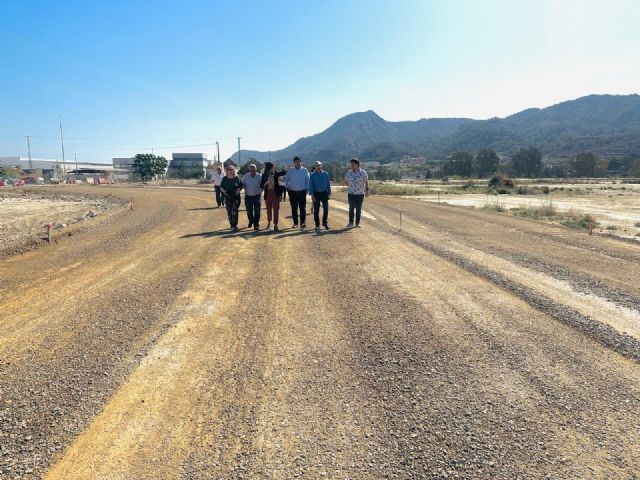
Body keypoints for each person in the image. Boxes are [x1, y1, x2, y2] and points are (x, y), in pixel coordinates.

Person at [284, 156, 310, 228]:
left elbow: (308, 180)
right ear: (294, 163)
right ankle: (295, 223)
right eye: (296, 162)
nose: (298, 163)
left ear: (301, 162)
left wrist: (307, 189)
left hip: (302, 192)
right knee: (294, 208)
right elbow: (286, 179)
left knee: (302, 208)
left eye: (299, 162)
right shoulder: (291, 171)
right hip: (293, 192)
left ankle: (303, 222)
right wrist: (287, 188)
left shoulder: (304, 170)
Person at [260, 162, 285, 231]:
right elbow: (261, 185)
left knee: (276, 209)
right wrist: (266, 182)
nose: (274, 168)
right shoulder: (264, 175)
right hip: (268, 194)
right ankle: (269, 222)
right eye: (273, 167)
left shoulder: (277, 174)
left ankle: (275, 224)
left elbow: (283, 174)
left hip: (276, 194)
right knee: (268, 210)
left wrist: (285, 169)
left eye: (274, 167)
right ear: (269, 168)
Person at [344, 157, 369, 227]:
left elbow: (366, 181)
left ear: (357, 164)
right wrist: (349, 186)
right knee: (351, 208)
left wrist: (367, 190)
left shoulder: (363, 173)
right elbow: (345, 180)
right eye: (351, 164)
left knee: (358, 209)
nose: (351, 165)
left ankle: (357, 223)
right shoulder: (349, 172)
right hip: (351, 193)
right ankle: (351, 223)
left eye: (353, 164)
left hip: (360, 194)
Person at [309, 161, 331, 230]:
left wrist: (329, 193)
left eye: (319, 165)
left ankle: (325, 223)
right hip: (316, 194)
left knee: (326, 209)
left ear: (321, 166)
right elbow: (311, 186)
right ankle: (317, 225)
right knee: (316, 210)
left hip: (324, 193)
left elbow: (328, 184)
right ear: (315, 167)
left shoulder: (325, 174)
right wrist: (312, 195)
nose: (318, 167)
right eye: (317, 166)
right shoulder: (312, 175)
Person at [220, 165, 243, 231]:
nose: (229, 170)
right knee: (229, 212)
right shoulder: (224, 178)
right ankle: (232, 225)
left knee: (234, 211)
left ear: (234, 170)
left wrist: (238, 189)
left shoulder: (237, 178)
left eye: (231, 169)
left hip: (236, 198)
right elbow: (221, 187)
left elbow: (241, 185)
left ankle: (234, 225)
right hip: (228, 197)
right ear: (226, 171)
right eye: (228, 169)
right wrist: (224, 191)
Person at [242, 164, 263, 230]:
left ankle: (256, 224)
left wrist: (260, 191)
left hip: (257, 196)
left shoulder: (259, 176)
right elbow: (243, 184)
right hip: (248, 196)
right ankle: (251, 221)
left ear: (256, 170)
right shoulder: (245, 176)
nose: (252, 171)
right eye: (251, 170)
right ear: (249, 170)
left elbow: (262, 185)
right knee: (249, 211)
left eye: (253, 170)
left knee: (257, 211)